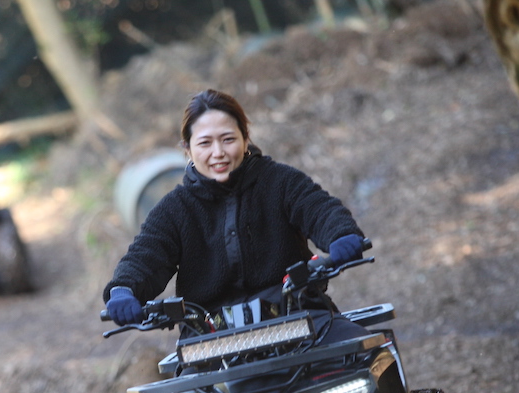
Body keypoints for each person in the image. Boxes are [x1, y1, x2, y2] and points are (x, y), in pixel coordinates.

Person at [103, 88, 369, 343]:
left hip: (300, 316)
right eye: (205, 143)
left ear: (245, 138)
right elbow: (146, 255)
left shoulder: (280, 181)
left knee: (367, 354)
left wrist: (341, 234)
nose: (218, 153)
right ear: (187, 149)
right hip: (208, 337)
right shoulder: (174, 210)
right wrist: (123, 290)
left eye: (228, 139)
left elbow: (319, 209)